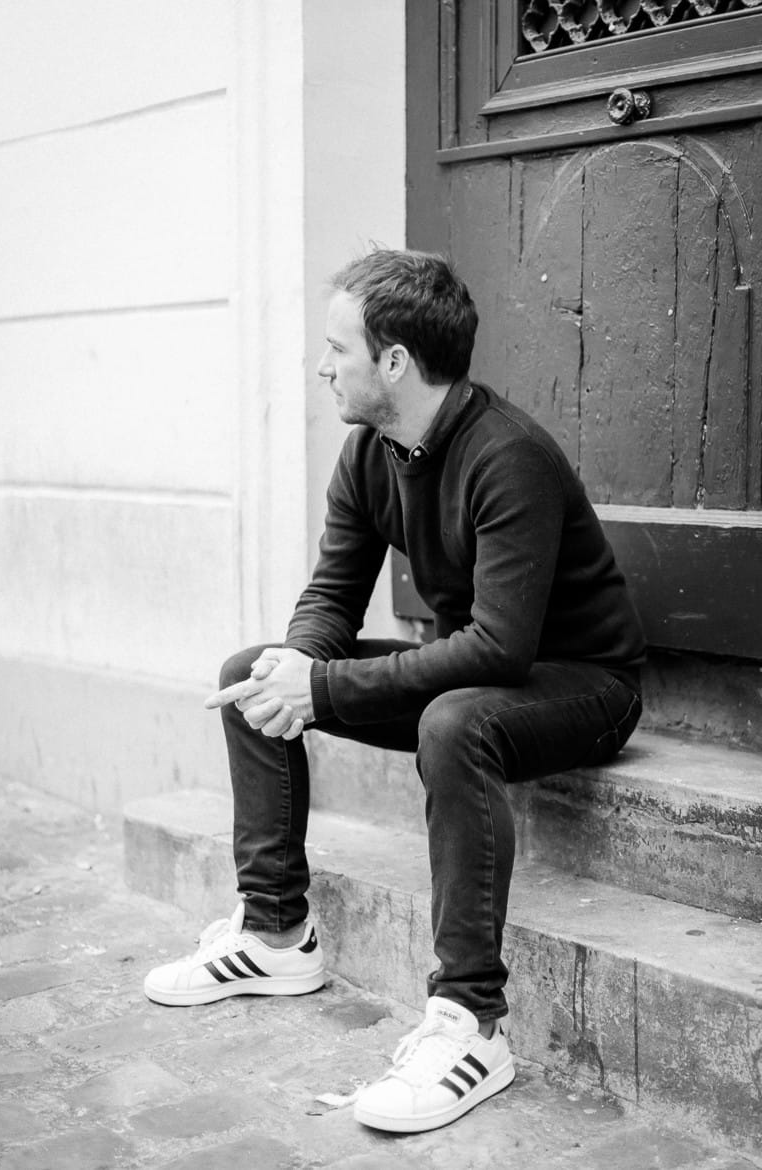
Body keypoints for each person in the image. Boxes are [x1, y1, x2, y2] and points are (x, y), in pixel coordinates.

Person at [142, 249, 645, 1134]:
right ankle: (273, 933)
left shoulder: (508, 456)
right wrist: (294, 671)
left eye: (337, 347)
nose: (324, 365)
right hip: (478, 671)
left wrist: (325, 690)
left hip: (582, 686)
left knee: (453, 725)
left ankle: (472, 1024)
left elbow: (500, 647)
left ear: (395, 362)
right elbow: (332, 597)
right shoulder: (370, 452)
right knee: (250, 673)